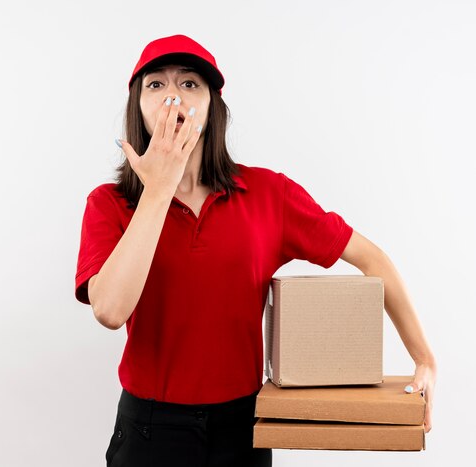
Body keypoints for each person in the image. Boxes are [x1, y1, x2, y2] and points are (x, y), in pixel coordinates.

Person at [74, 34, 436, 467]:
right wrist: (159, 187)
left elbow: (371, 259)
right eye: (156, 85)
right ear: (138, 107)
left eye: (190, 83)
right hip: (149, 431)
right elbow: (110, 311)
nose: (173, 95)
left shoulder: (268, 194)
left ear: (214, 107)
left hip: (242, 429)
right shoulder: (108, 203)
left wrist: (425, 359)